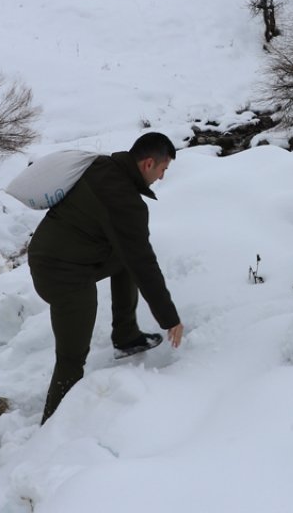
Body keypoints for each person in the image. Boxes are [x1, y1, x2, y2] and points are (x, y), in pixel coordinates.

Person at [27, 132, 185, 423]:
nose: (162, 177)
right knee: (71, 358)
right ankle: (53, 425)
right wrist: (169, 317)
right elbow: (144, 263)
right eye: (163, 169)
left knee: (123, 261)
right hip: (62, 274)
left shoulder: (103, 166)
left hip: (54, 254)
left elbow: (130, 257)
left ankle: (126, 337)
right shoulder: (125, 201)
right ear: (149, 163)